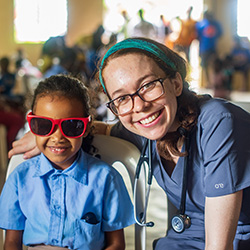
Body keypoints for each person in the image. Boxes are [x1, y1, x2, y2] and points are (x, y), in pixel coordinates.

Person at [8, 38, 250, 249]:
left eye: (148, 85)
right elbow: (102, 129)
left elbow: (220, 245)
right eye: (122, 98)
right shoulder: (142, 129)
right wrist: (51, 129)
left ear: (176, 83)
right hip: (193, 233)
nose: (139, 105)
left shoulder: (218, 121)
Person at [1, 74, 134, 250]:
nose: (57, 137)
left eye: (71, 125)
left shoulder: (106, 179)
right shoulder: (19, 178)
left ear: (86, 127)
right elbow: (11, 242)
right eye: (44, 125)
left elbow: (116, 244)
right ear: (32, 125)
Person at [196, 11, 223, 87]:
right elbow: (197, 36)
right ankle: (208, 82)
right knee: (205, 66)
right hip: (204, 49)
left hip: (213, 48)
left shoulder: (216, 24)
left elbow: (220, 34)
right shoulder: (200, 25)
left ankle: (214, 82)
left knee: (215, 65)